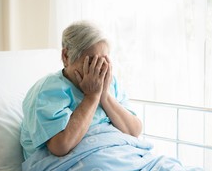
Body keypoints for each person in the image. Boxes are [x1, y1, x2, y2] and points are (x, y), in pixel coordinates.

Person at [20, 21, 142, 159]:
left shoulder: (110, 82)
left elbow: (134, 131)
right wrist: (92, 97)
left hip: (118, 157)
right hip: (67, 170)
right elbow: (61, 146)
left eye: (104, 62)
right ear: (66, 57)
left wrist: (105, 96)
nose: (99, 70)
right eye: (91, 62)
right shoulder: (48, 90)